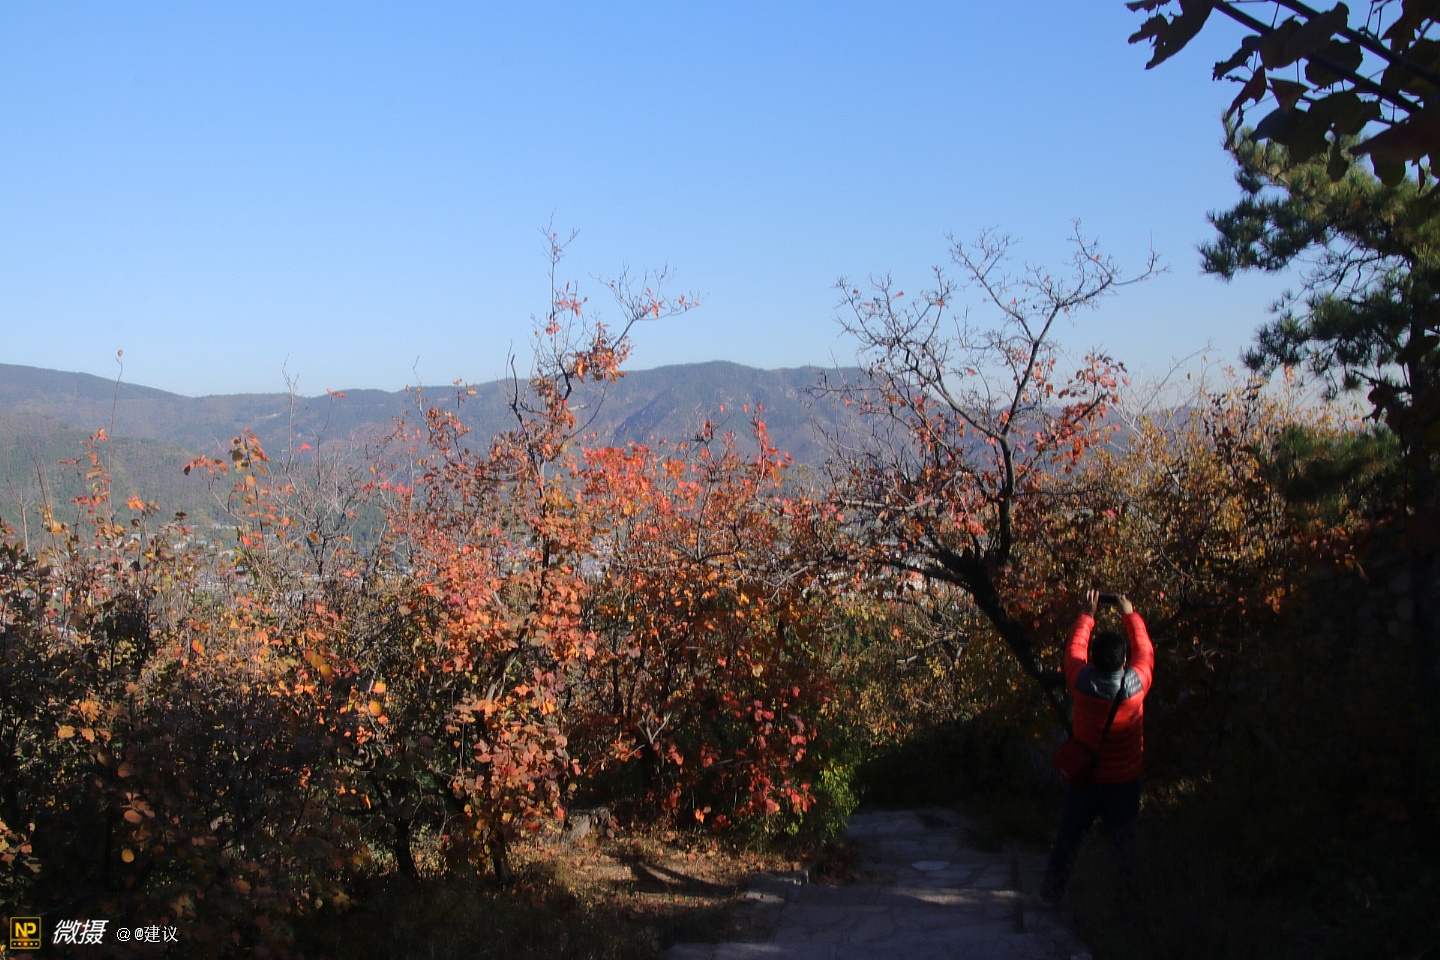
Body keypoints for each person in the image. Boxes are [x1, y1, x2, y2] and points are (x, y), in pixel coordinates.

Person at [1041, 588, 1154, 905]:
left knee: (1068, 837)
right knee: (1123, 845)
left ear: (1093, 660)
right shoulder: (1137, 685)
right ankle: (1124, 903)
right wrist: (1129, 614)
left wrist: (1087, 614)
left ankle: (1052, 893)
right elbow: (1145, 649)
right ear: (1124, 661)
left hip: (1086, 780)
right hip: (1125, 782)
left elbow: (1073, 650)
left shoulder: (1081, 683)